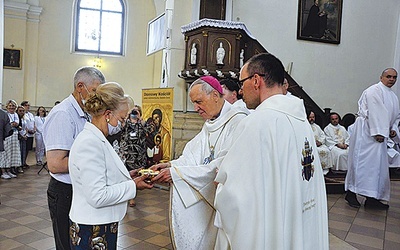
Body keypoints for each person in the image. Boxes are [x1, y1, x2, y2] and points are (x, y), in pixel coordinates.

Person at [213, 53, 329, 249]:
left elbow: (237, 198)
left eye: (242, 83)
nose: (240, 91)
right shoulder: (302, 122)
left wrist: (221, 183)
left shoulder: (257, 123)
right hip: (300, 219)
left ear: (256, 80)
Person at [151, 76, 249, 250]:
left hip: (229, 203)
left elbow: (223, 164)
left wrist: (176, 174)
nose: (196, 108)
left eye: (199, 102)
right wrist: (171, 166)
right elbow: (192, 156)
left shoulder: (239, 121)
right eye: (193, 103)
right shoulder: (211, 123)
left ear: (215, 96)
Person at [68, 82, 153, 249]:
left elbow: (104, 175)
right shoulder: (89, 143)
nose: (122, 124)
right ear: (107, 114)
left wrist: (129, 176)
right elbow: (98, 196)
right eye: (121, 119)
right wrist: (133, 186)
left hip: (102, 222)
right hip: (92, 227)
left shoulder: (98, 138)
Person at [43, 66, 105, 250]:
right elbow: (55, 164)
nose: (98, 97)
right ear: (80, 86)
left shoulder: (85, 112)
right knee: (66, 245)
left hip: (80, 190)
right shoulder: (63, 114)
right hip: (64, 192)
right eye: (95, 91)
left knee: (80, 243)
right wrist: (94, 161)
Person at [345, 68, 400, 209]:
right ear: (381, 77)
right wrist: (379, 132)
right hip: (367, 133)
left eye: (394, 77)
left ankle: (372, 198)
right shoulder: (373, 90)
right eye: (389, 76)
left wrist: (392, 129)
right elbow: (375, 112)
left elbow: (395, 116)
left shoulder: (393, 96)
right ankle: (351, 193)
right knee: (361, 164)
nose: (392, 79)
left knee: (377, 168)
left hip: (380, 134)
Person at [308, 110, 333, 174]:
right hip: (310, 145)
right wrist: (312, 142)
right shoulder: (305, 126)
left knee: (326, 151)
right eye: (310, 117)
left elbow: (322, 135)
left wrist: (320, 142)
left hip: (319, 144)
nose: (312, 119)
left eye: (313, 117)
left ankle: (324, 169)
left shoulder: (317, 126)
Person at [4, 100, 21, 178]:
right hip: (7, 135)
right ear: (7, 107)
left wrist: (15, 125)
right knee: (6, 153)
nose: (11, 107)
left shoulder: (16, 115)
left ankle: (10, 169)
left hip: (15, 135)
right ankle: (4, 171)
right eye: (10, 106)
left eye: (13, 106)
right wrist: (12, 124)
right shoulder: (5, 114)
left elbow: (17, 124)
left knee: (12, 153)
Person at [21, 101, 35, 167]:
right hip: (26, 134)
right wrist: (28, 131)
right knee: (24, 149)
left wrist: (34, 129)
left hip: (31, 134)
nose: (28, 106)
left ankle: (25, 161)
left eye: (28, 105)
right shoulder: (22, 114)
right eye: (26, 105)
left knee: (28, 149)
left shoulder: (31, 114)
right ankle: (21, 162)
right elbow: (24, 124)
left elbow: (33, 122)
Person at [0, 108, 13, 179]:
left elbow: (8, 129)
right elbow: (8, 130)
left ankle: (4, 171)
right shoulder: (4, 114)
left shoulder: (3, 114)